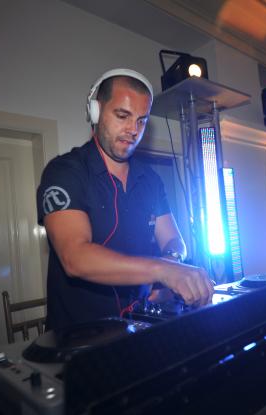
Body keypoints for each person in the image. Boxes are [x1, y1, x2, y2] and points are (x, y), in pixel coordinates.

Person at [37, 68, 214, 330]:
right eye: (122, 116)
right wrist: (161, 270)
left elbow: (174, 240)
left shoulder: (151, 180)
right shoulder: (65, 172)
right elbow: (74, 257)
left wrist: (172, 259)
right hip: (78, 338)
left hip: (139, 329)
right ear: (95, 112)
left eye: (142, 121)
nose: (133, 129)